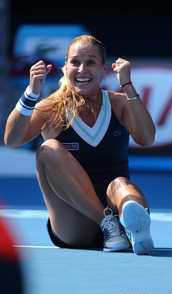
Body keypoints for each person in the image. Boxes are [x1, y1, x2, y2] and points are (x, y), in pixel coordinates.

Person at [4, 35, 156, 254]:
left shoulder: (118, 102)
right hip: (75, 225)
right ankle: (108, 225)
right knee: (48, 149)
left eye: (91, 63)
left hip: (116, 208)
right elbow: (12, 139)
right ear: (65, 68)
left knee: (121, 184)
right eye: (75, 62)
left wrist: (128, 86)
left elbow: (147, 138)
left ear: (104, 69)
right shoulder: (51, 108)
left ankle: (137, 231)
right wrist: (32, 93)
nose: (82, 69)